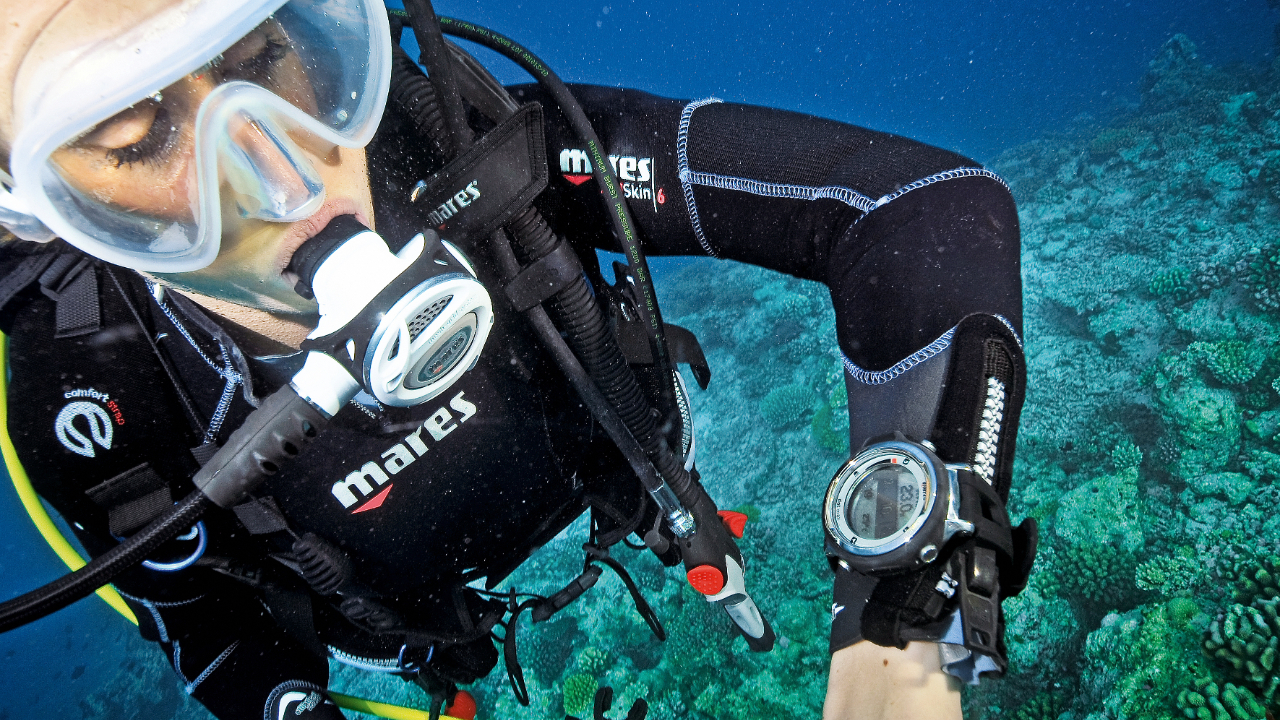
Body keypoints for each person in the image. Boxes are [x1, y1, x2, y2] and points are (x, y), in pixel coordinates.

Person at [0, 1, 1035, 719]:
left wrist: (904, 614)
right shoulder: (87, 396)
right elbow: (207, 625)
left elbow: (920, 211)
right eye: (133, 138)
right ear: (33, 209)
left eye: (265, 52)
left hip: (629, 486)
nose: (285, 181)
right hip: (425, 628)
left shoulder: (467, 139)